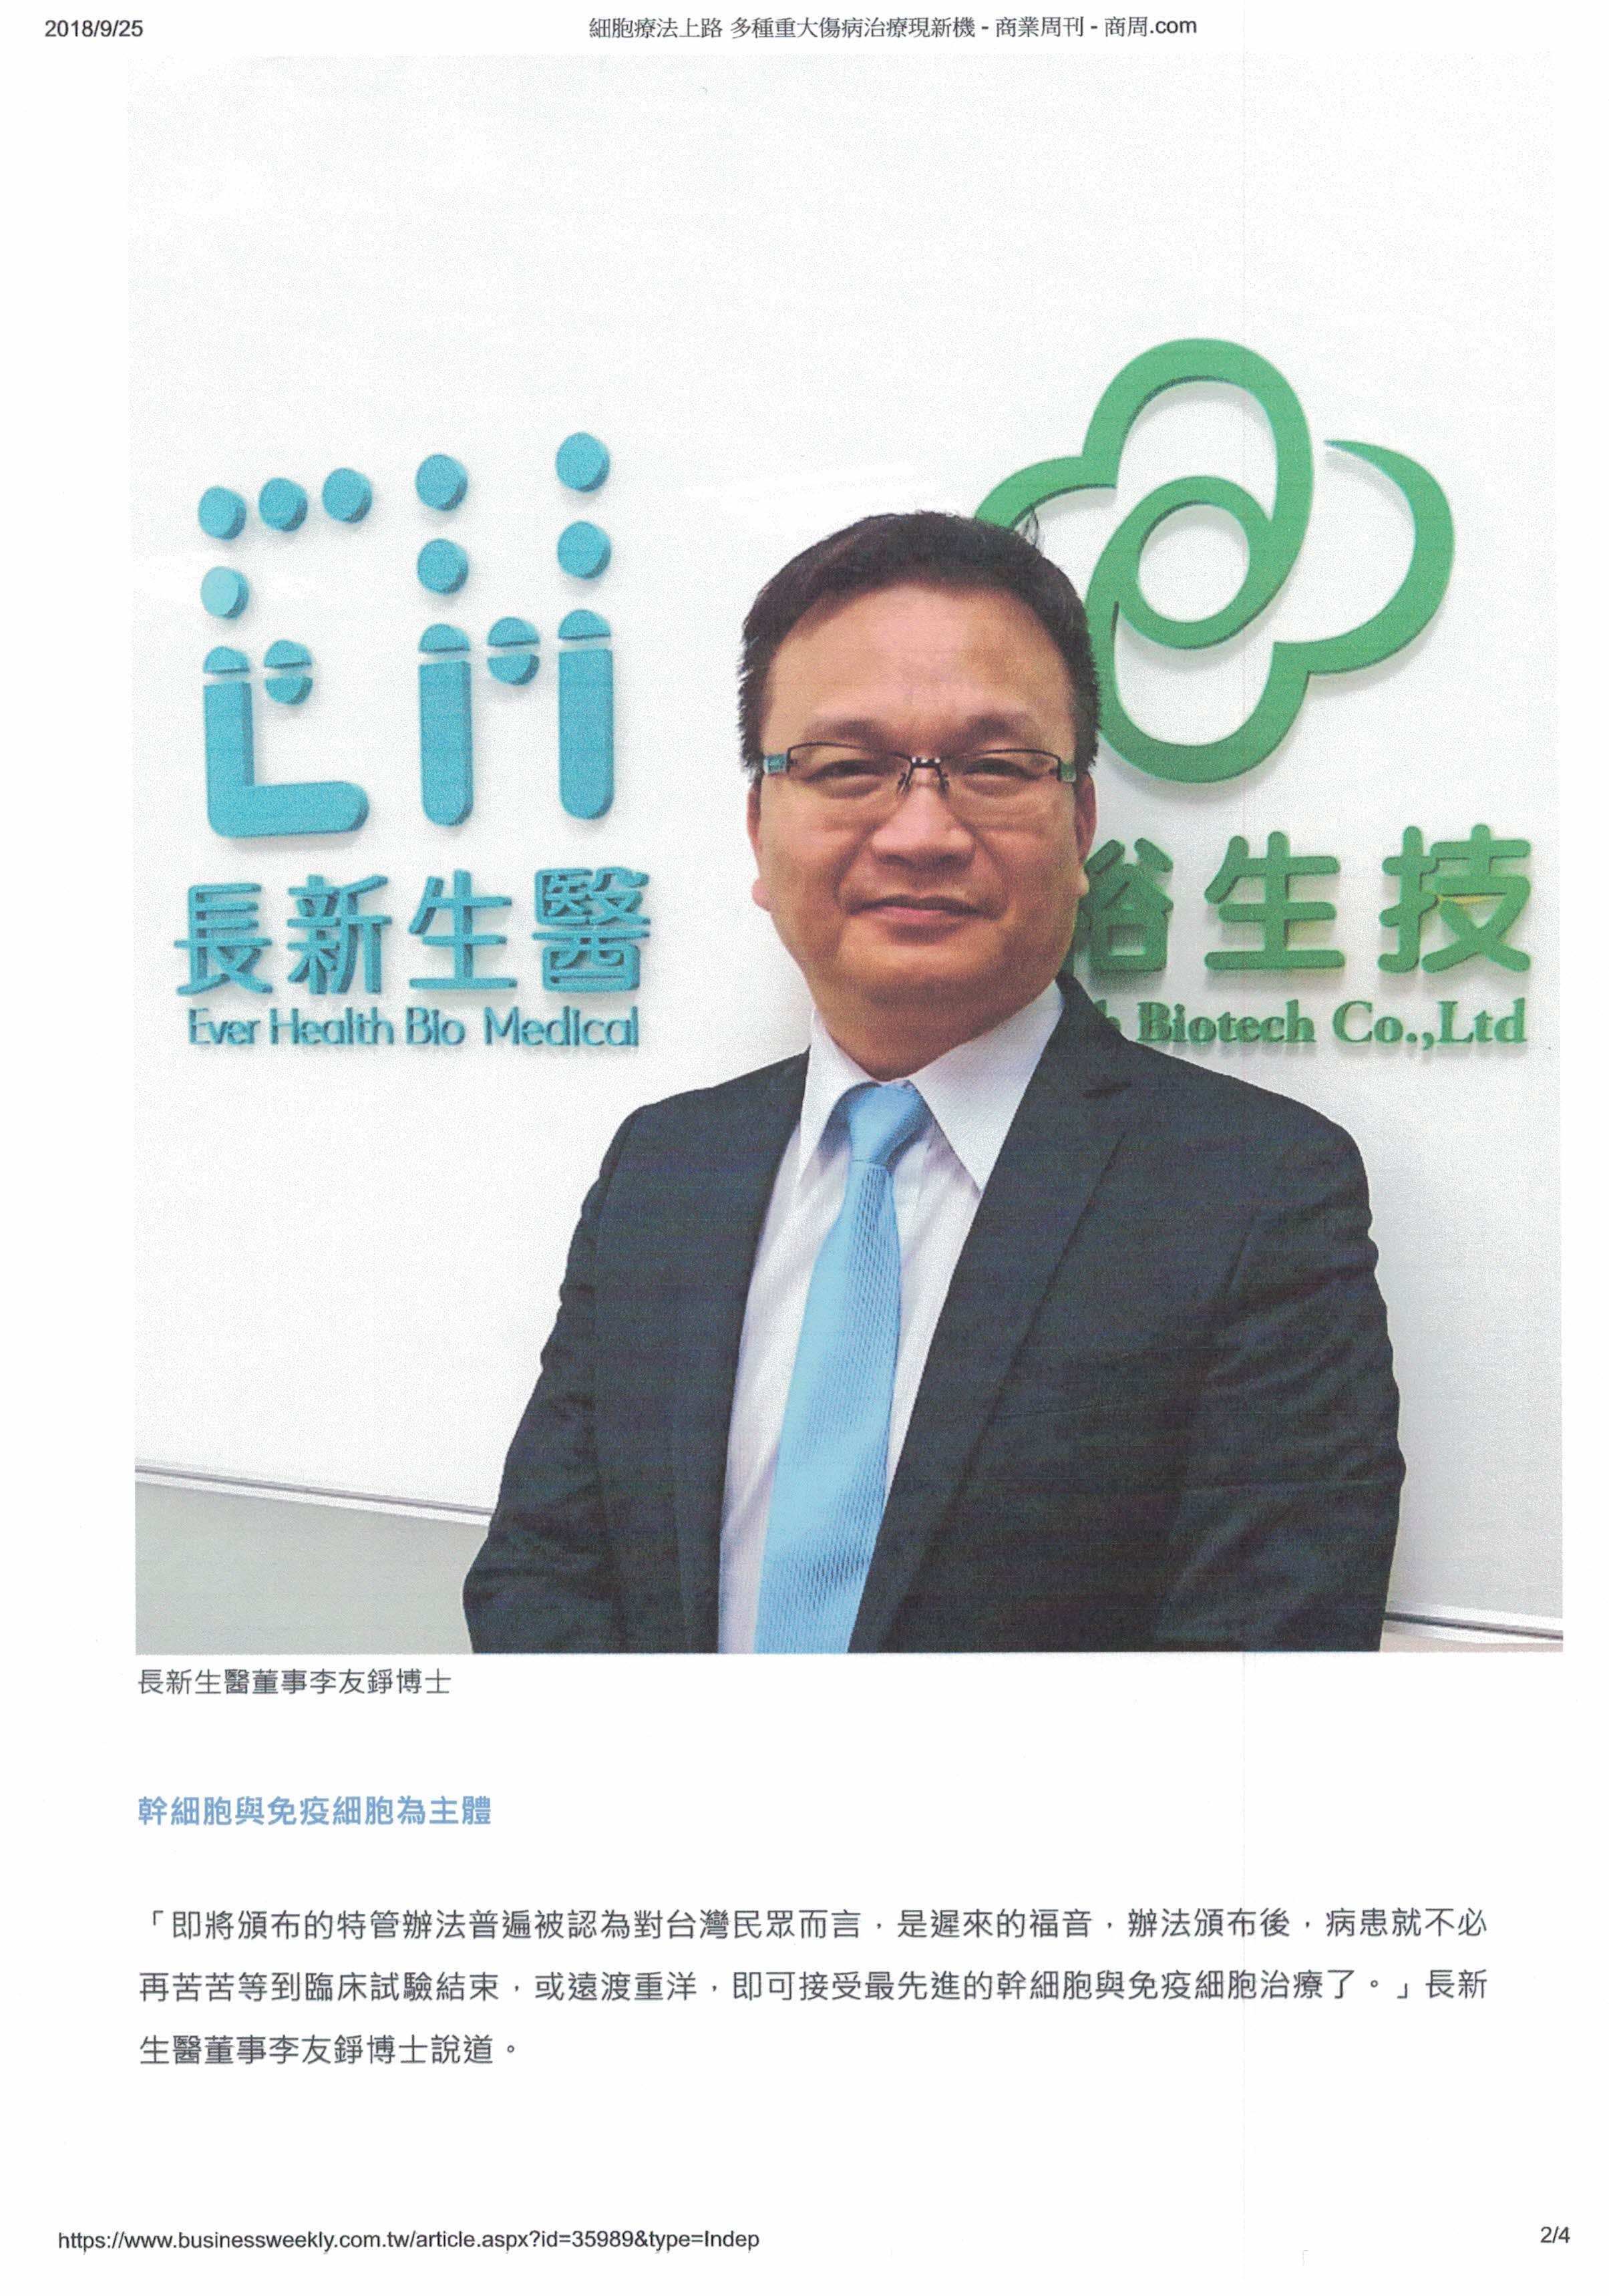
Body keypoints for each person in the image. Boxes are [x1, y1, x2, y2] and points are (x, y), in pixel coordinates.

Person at [464, 512, 1403, 1653]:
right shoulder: (663, 1170)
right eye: (846, 768)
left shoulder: (1253, 1192)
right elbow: (542, 1571)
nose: (920, 830)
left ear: (1079, 820)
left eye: (995, 767)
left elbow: (1262, 1668)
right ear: (759, 827)